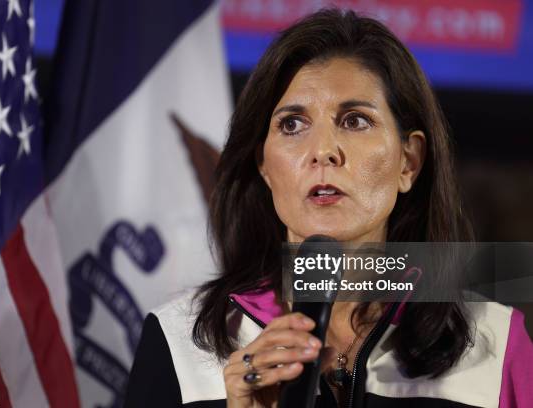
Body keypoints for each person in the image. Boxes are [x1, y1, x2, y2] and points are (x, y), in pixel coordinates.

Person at [124, 8, 533, 408]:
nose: (322, 151)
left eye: (354, 121)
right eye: (292, 124)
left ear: (409, 162)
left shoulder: (494, 342)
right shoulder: (178, 342)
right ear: (264, 167)